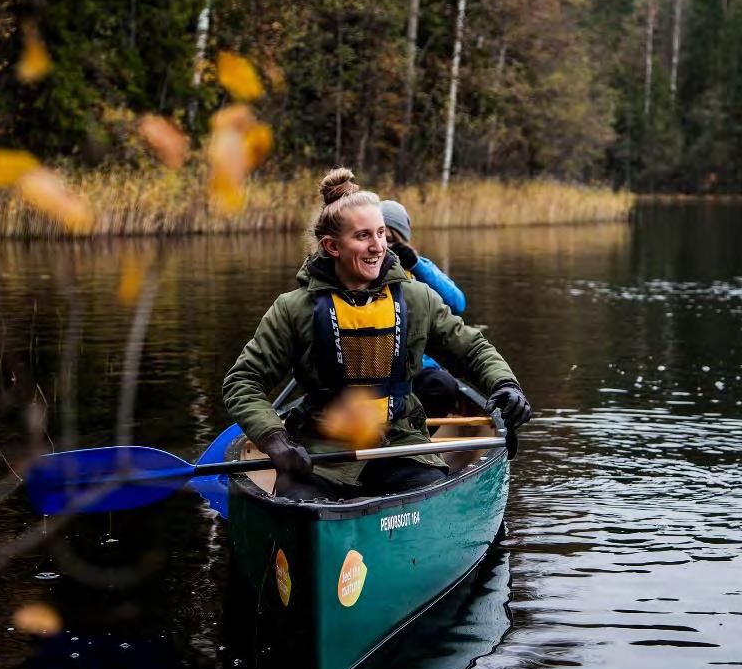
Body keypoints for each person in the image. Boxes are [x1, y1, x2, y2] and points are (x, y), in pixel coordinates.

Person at [222, 168, 531, 501]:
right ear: (332, 246)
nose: (378, 246)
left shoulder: (417, 297)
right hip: (322, 451)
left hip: (401, 445)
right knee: (295, 499)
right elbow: (243, 382)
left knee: (427, 491)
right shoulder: (293, 309)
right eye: (363, 236)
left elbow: (471, 350)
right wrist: (274, 439)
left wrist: (505, 384)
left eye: (382, 233)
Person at [381, 197, 465, 420]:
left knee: (443, 386)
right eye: (381, 238)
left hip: (419, 369)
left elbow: (457, 303)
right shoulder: (363, 268)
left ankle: (415, 437)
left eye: (392, 240)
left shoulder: (420, 267)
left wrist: (416, 265)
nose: (386, 248)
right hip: (376, 371)